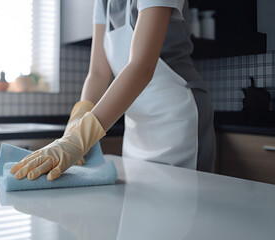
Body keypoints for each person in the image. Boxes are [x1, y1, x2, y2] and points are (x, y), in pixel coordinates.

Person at [11, 0, 216, 181]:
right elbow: (98, 73)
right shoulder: (103, 2)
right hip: (137, 125)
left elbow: (141, 67)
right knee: (136, 208)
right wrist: (76, 122)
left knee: (179, 213)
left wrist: (80, 138)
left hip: (176, 119)